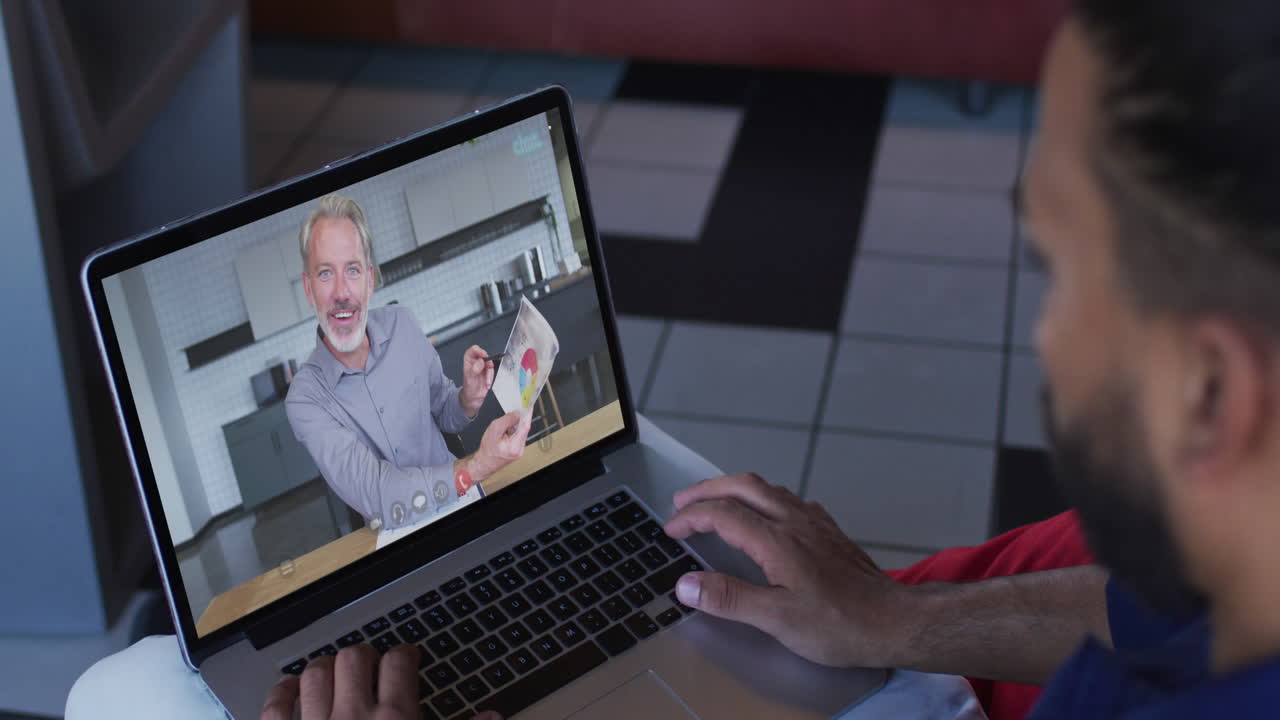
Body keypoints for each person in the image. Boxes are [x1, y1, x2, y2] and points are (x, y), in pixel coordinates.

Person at [266, 0, 1280, 716]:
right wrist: (898, 622)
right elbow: (1165, 616)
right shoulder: (1237, 571)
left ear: (1212, 391)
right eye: (329, 275)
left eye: (1058, 270)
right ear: (313, 290)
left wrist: (466, 436)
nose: (1044, 331)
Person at [286, 194, 532, 532]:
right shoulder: (305, 398)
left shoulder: (402, 324)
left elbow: (445, 411)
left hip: (464, 504)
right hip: (400, 537)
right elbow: (378, 494)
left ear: (370, 280)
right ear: (308, 288)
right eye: (325, 273)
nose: (341, 292)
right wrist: (476, 468)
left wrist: (467, 399)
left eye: (352, 270)